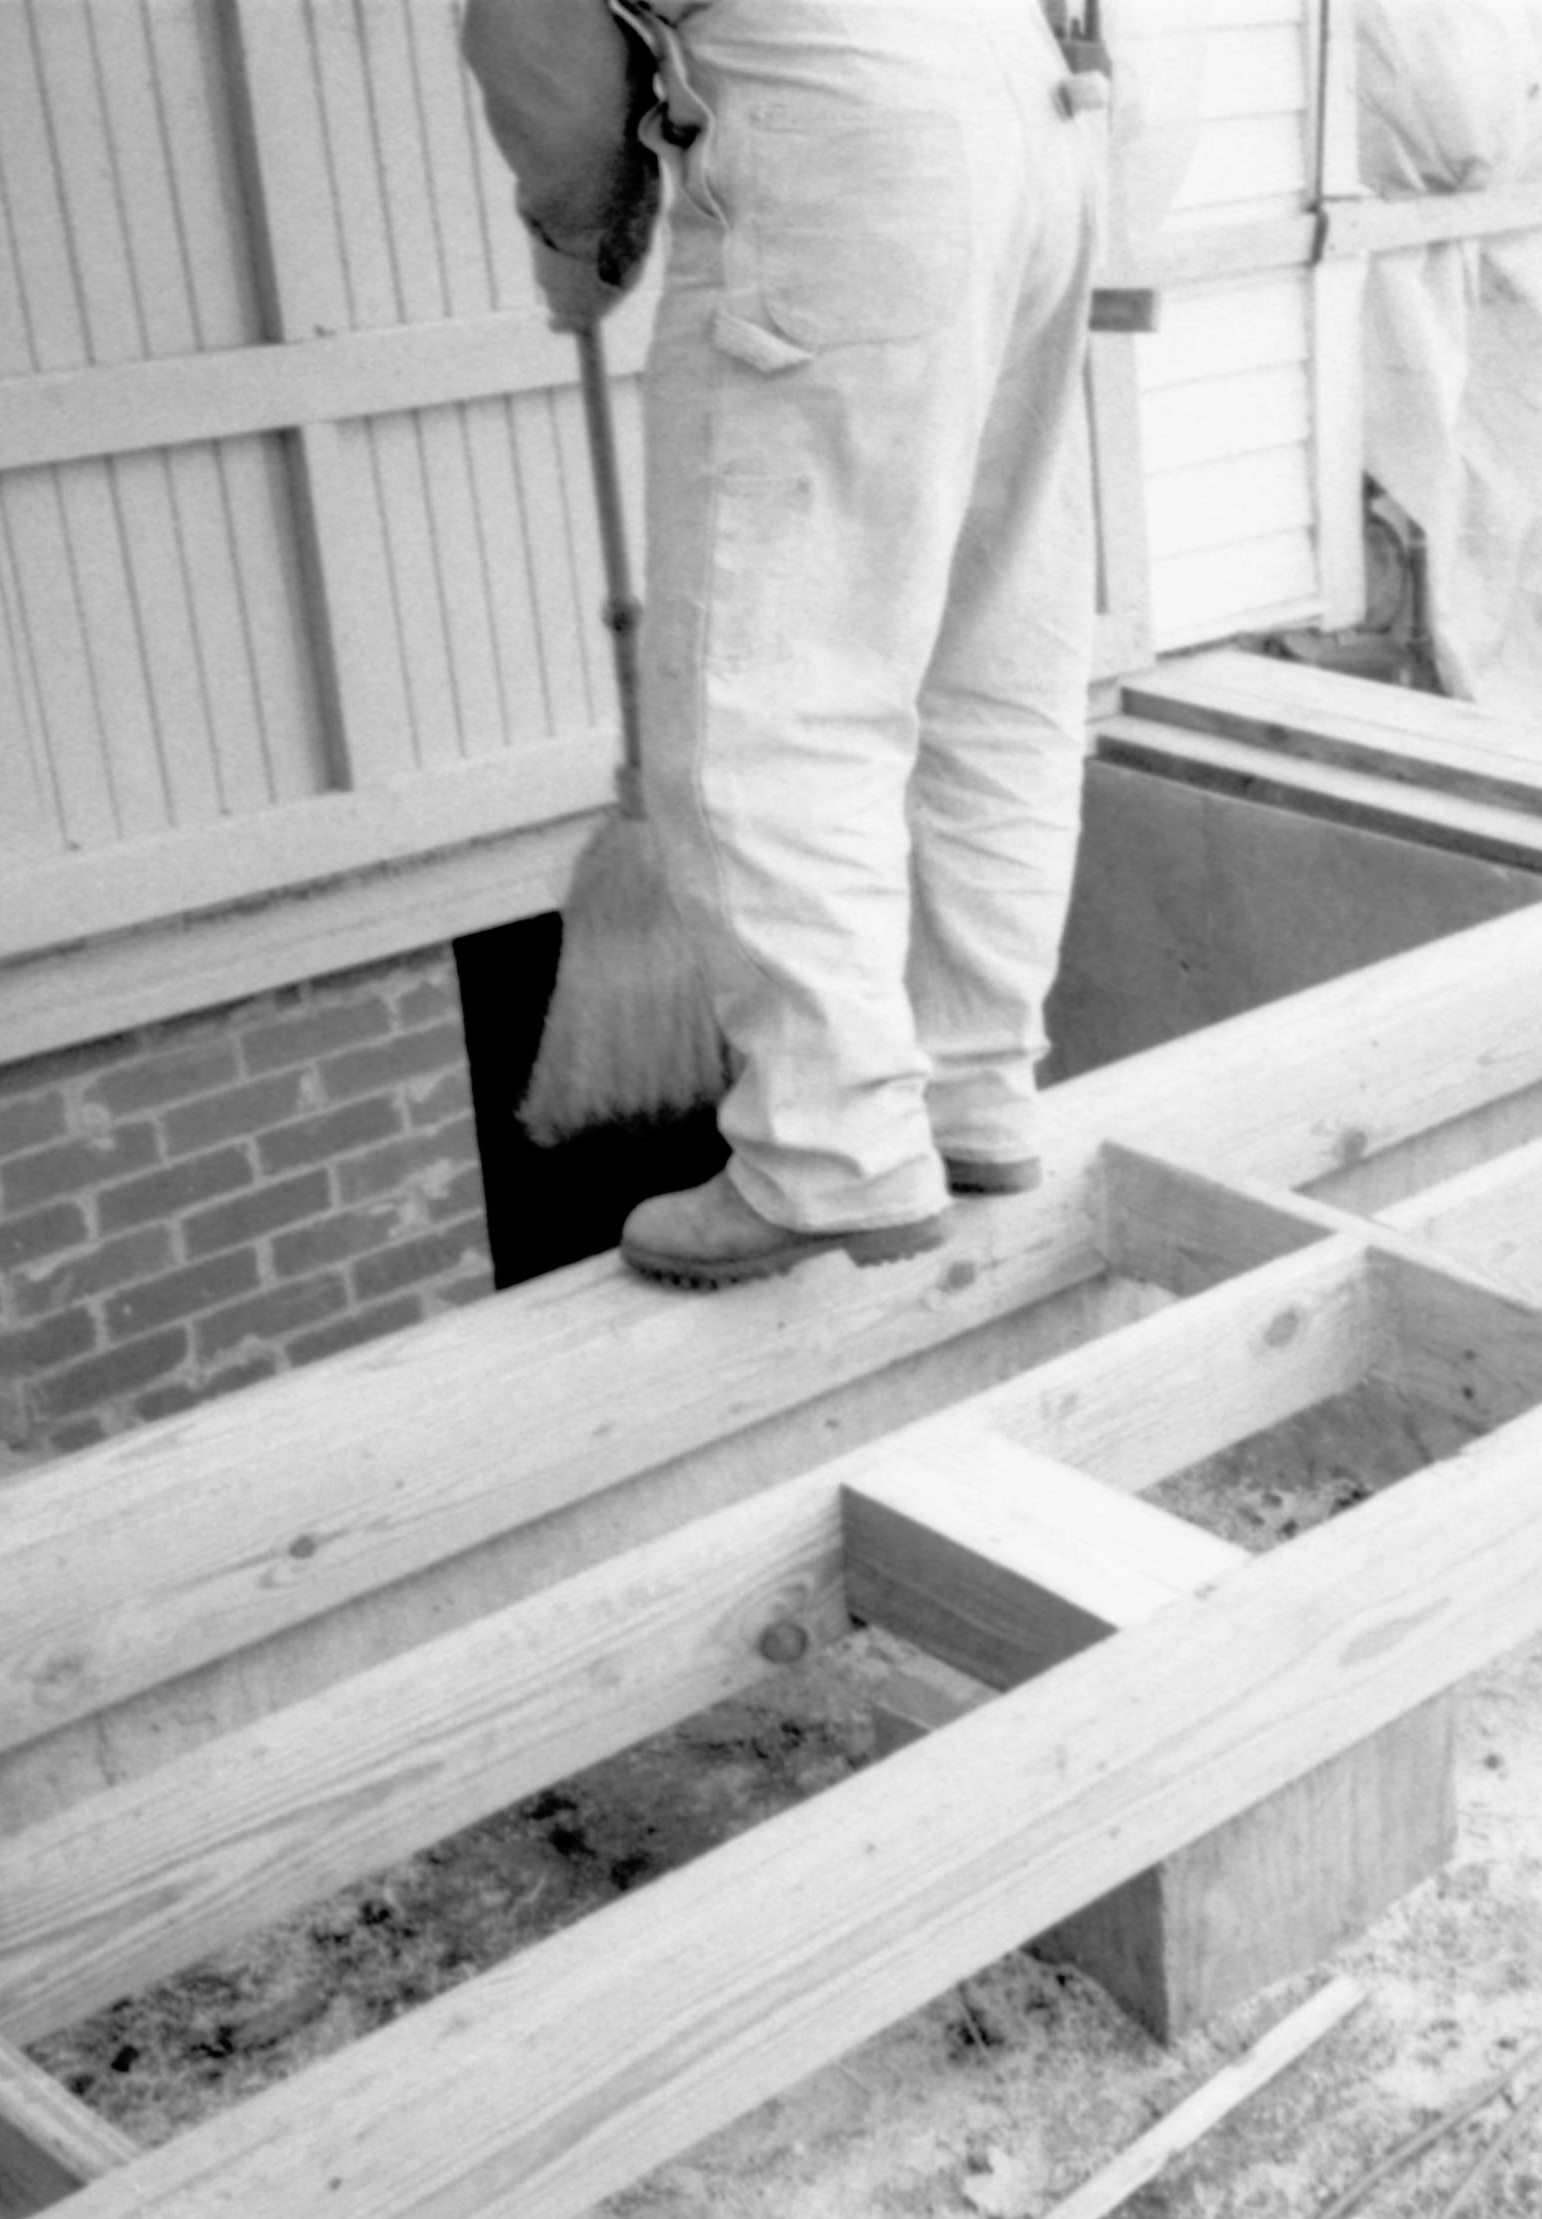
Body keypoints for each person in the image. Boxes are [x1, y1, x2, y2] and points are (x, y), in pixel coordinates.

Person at [462, 0, 1109, 1288]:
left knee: (765, 684)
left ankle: (832, 1156)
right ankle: (971, 1094)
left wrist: (578, 245)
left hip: (840, 138)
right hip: (1037, 122)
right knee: (989, 651)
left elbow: (538, 43)